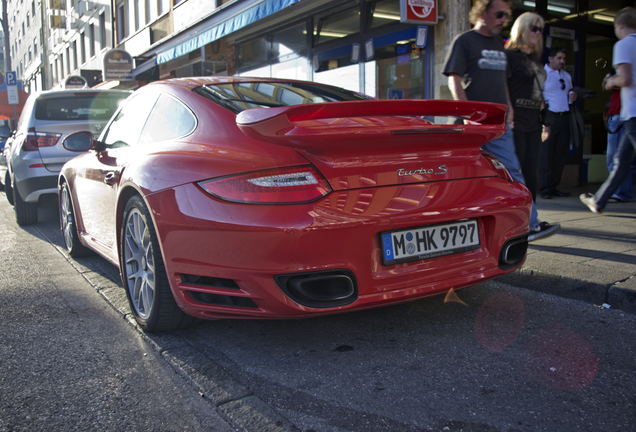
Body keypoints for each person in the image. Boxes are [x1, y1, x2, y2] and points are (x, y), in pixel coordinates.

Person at [442, 0, 560, 241]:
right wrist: (466, 114)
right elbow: (453, 79)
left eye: (507, 15)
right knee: (463, 176)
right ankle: (453, 227)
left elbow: (502, 81)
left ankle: (532, 224)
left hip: (498, 122)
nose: (504, 19)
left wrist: (510, 110)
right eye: (499, 13)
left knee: (512, 171)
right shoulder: (464, 41)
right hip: (472, 123)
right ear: (482, 12)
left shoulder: (498, 43)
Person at [580, 7, 636, 213]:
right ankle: (599, 200)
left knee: (620, 161)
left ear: (620, 25)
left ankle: (599, 200)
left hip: (633, 113)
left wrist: (611, 80)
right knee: (620, 161)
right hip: (630, 114)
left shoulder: (623, 44)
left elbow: (626, 78)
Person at [505, 12, 546, 202]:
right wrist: (508, 111)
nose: (538, 33)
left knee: (531, 168)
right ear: (522, 28)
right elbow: (502, 84)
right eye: (534, 28)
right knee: (515, 168)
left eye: (541, 29)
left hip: (534, 121)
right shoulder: (510, 55)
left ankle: (532, 214)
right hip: (516, 121)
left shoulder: (536, 59)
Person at [540, 46, 578, 199]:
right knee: (546, 154)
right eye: (559, 58)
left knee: (560, 154)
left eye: (564, 58)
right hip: (549, 116)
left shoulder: (567, 76)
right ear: (550, 58)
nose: (562, 61)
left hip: (564, 116)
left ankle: (554, 186)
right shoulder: (542, 74)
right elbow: (537, 95)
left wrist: (572, 97)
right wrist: (543, 119)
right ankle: (545, 188)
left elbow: (567, 94)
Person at [603, 77, 634, 202]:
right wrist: (609, 81)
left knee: (616, 159)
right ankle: (623, 192)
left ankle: (622, 193)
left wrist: (612, 81)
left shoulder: (628, 73)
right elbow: (605, 85)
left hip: (621, 117)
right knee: (618, 158)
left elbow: (624, 82)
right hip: (615, 117)